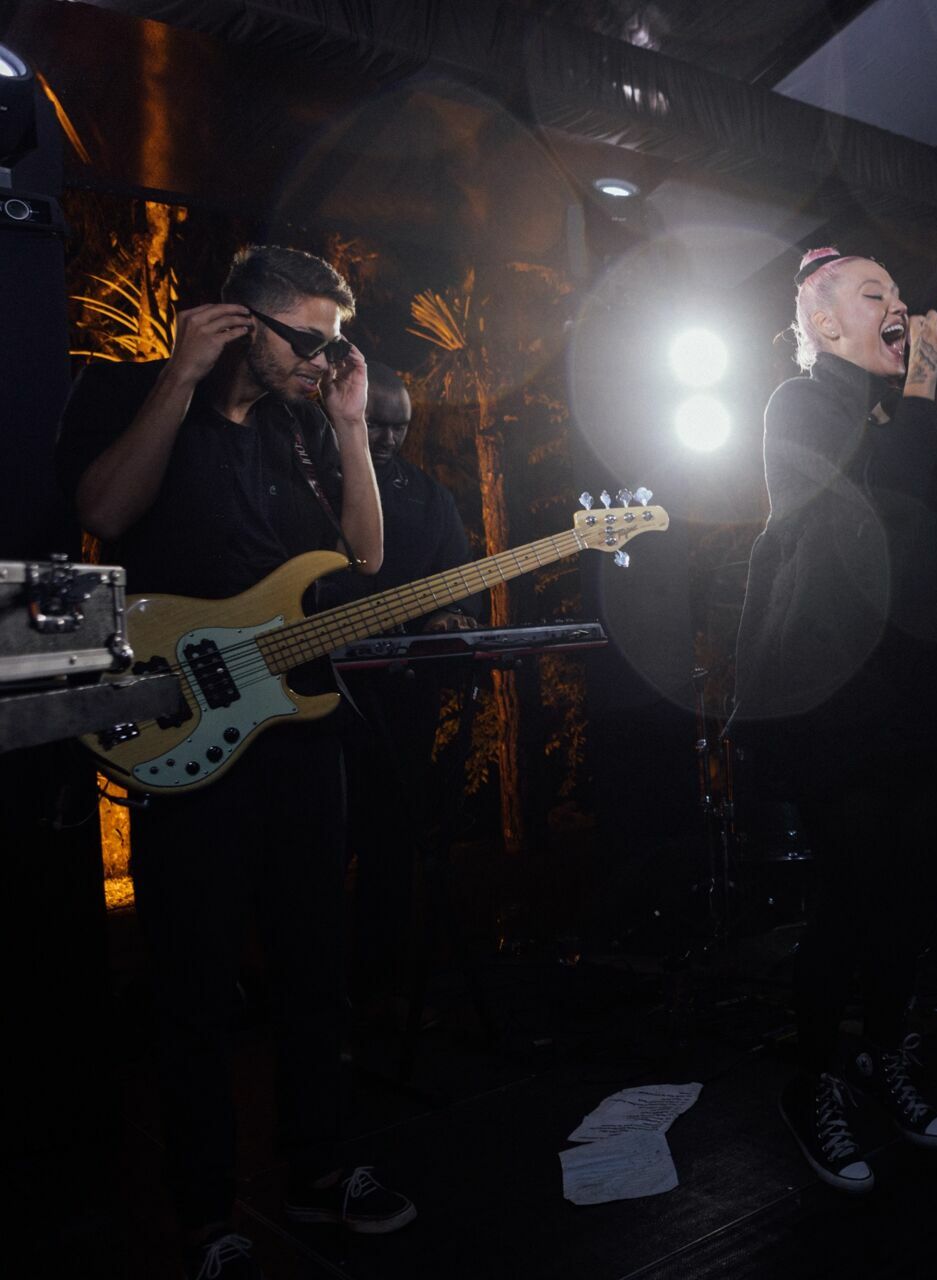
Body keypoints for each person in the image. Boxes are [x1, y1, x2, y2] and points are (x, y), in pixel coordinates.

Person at [55, 245, 415, 1278]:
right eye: (307, 341)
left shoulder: (306, 426)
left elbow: (365, 562)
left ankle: (321, 1166)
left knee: (314, 965)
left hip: (300, 730)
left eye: (335, 344)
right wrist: (177, 378)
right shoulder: (134, 391)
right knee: (196, 985)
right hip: (190, 730)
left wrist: (351, 427)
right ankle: (205, 1212)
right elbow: (104, 512)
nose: (322, 361)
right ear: (241, 322)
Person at [730, 247, 937, 1193]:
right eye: (878, 295)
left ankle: (884, 1051)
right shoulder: (798, 406)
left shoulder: (907, 405)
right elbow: (882, 520)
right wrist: (920, 387)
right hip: (837, 694)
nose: (900, 306)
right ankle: (814, 1081)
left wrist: (923, 393)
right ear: (825, 322)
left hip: (921, 686)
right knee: (851, 892)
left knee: (912, 894)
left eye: (902, 295)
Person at [333, 362, 481, 1015]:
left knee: (392, 846)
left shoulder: (429, 498)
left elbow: (460, 586)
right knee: (314, 848)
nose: (388, 438)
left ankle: (380, 989)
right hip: (314, 699)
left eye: (400, 427)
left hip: (400, 702)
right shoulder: (310, 479)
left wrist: (452, 618)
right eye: (376, 423)